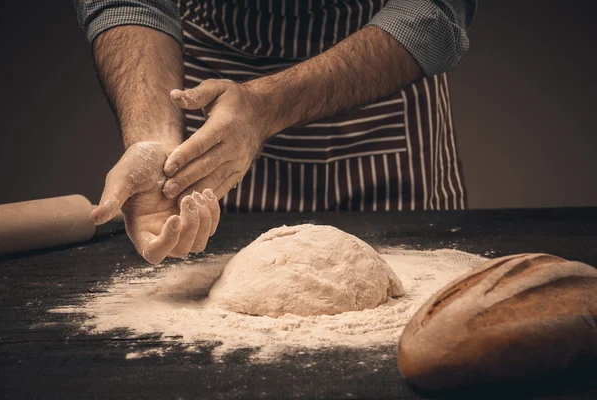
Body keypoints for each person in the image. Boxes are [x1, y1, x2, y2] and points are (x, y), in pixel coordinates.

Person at [74, 0, 477, 264]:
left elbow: (433, 10)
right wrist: (155, 139)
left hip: (382, 79)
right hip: (216, 111)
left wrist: (264, 107)